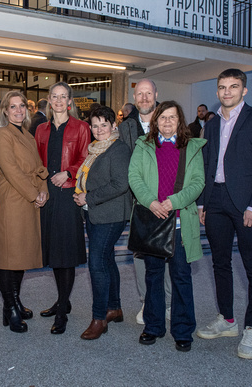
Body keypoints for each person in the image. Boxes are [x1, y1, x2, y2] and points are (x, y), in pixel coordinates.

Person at [196, 68, 252, 360]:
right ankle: (227, 320)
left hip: (246, 205)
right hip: (216, 200)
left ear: (244, 90)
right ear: (217, 91)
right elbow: (207, 164)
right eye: (222, 87)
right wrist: (203, 202)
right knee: (219, 263)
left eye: (233, 86)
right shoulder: (213, 123)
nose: (227, 91)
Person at [128, 100, 206, 352]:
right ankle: (153, 326)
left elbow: (197, 183)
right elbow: (134, 177)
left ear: (180, 121)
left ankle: (183, 330)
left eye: (173, 117)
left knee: (181, 277)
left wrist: (173, 201)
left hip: (181, 223)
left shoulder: (192, 148)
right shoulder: (143, 145)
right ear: (155, 121)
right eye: (163, 118)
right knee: (153, 276)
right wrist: (151, 202)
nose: (168, 122)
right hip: (153, 221)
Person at [35, 81, 90, 334]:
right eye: (54, 96)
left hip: (68, 194)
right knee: (54, 251)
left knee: (66, 252)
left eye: (63, 97)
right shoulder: (41, 130)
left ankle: (62, 310)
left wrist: (68, 172)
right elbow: (36, 162)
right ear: (49, 99)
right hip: (48, 196)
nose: (58, 101)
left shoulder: (81, 127)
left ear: (70, 101)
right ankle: (62, 301)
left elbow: (86, 159)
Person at [73, 105, 132, 340]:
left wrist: (88, 196)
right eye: (95, 125)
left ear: (113, 126)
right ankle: (114, 308)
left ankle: (99, 318)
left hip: (111, 215)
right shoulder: (95, 149)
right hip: (95, 213)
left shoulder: (118, 150)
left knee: (96, 262)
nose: (99, 129)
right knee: (107, 259)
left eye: (104, 125)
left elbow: (120, 184)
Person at [0, 91, 49, 333]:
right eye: (13, 107)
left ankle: (13, 303)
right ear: (5, 111)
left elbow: (38, 167)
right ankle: (11, 307)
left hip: (28, 198)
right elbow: (11, 169)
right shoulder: (2, 134)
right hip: (12, 198)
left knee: (21, 255)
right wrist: (33, 193)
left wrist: (44, 189)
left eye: (22, 106)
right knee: (9, 256)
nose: (18, 110)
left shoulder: (27, 134)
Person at [118, 79, 170, 325]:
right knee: (140, 255)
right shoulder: (125, 126)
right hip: (137, 202)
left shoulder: (170, 120)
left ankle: (167, 303)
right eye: (140, 94)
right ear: (134, 97)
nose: (145, 98)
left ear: (156, 94)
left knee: (167, 252)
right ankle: (146, 302)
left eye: (149, 93)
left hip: (168, 201)